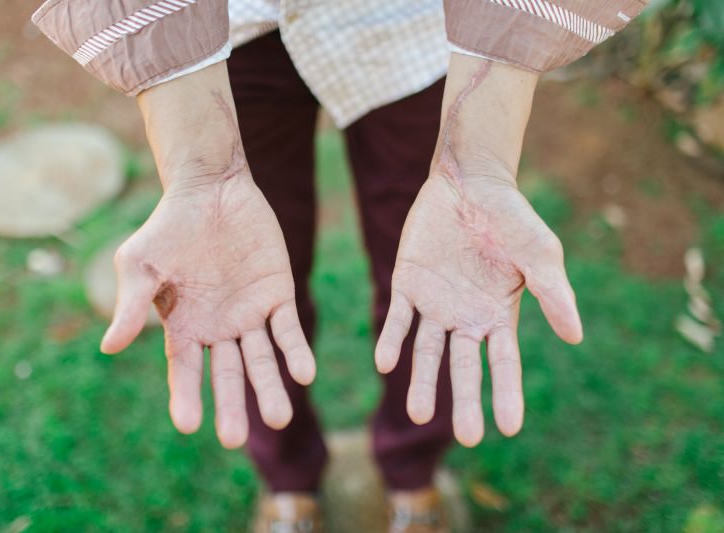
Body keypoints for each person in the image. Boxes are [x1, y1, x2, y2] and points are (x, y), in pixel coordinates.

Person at [32, 1, 644, 531]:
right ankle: (287, 477)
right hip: (221, 32)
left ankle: (411, 467)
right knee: (236, 288)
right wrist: (200, 173)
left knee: (436, 281)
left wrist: (478, 164)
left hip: (417, 27)